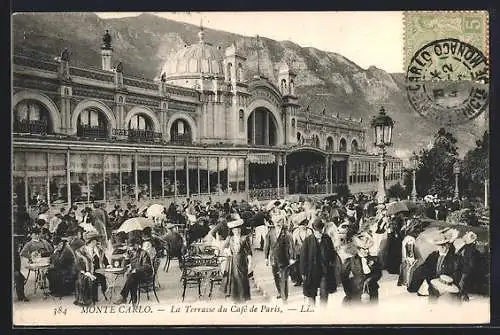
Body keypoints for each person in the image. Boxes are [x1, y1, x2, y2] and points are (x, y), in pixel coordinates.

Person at [409, 228, 461, 299]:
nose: (441, 247)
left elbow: (456, 273)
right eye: (439, 245)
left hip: (446, 285)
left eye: (443, 245)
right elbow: (425, 267)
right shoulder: (433, 255)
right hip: (433, 282)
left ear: (448, 245)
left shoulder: (454, 258)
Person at [299, 217, 338, 307]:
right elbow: (303, 258)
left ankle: (323, 312)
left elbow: (332, 253)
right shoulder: (308, 240)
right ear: (314, 230)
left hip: (324, 271)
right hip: (311, 271)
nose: (319, 233)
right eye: (317, 231)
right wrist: (303, 272)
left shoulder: (327, 239)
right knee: (311, 294)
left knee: (324, 292)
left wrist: (331, 264)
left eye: (320, 230)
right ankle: (312, 311)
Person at [341, 232, 382, 304]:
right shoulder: (351, 261)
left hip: (372, 291)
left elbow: (378, 273)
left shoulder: (374, 259)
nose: (367, 251)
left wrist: (370, 279)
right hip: (356, 292)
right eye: (364, 249)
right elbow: (344, 278)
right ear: (358, 249)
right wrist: (349, 293)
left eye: (368, 249)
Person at [221, 215, 253, 303]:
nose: (237, 231)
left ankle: (243, 298)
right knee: (234, 279)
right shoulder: (230, 238)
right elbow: (223, 248)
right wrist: (227, 252)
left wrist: (250, 263)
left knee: (242, 278)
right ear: (232, 230)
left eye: (238, 229)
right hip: (232, 262)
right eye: (235, 230)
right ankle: (235, 298)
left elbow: (249, 251)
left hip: (242, 261)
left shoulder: (245, 238)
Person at [264, 213, 295, 303]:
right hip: (274, 259)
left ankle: (284, 298)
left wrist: (292, 258)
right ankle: (280, 292)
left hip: (284, 259)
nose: (278, 223)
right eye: (276, 221)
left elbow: (291, 246)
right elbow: (267, 245)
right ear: (273, 222)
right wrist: (266, 258)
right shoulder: (270, 232)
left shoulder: (287, 233)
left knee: (284, 278)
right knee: (276, 276)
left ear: (282, 222)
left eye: (280, 221)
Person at [113, 237, 153, 305]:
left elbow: (147, 266)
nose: (130, 248)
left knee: (131, 276)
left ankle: (124, 297)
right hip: (135, 275)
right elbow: (124, 266)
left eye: (132, 246)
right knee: (132, 278)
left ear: (137, 245)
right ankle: (133, 302)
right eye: (129, 246)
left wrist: (136, 269)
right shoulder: (129, 252)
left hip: (145, 274)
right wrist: (126, 259)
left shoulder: (144, 253)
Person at [74, 231, 100, 306]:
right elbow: (78, 264)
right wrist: (86, 272)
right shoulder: (80, 251)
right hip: (83, 271)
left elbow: (103, 259)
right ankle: (87, 300)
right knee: (86, 279)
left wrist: (107, 264)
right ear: (91, 241)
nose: (96, 242)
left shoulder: (98, 250)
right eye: (95, 241)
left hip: (96, 271)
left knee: (95, 277)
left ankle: (93, 298)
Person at [455, 231, 480, 301]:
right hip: (465, 268)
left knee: (462, 282)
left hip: (466, 268)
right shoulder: (468, 246)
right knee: (463, 282)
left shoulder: (470, 248)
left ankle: (460, 296)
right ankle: (465, 296)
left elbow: (470, 260)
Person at [291, 212, 312, 286]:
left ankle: (307, 280)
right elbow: (293, 243)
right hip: (299, 252)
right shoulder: (296, 232)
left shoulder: (309, 231)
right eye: (302, 224)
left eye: (305, 224)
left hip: (308, 251)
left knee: (308, 265)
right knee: (298, 266)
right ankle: (299, 280)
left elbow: (312, 241)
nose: (303, 226)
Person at [14, 237, 29, 302]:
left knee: (21, 277)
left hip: (15, 271)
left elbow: (18, 265)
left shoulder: (16, 253)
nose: (20, 246)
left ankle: (21, 296)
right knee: (19, 277)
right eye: (18, 245)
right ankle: (21, 296)